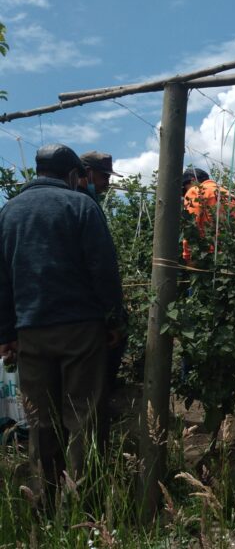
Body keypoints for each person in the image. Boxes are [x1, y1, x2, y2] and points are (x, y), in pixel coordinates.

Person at [0, 144, 125, 500]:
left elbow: (2, 280)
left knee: (41, 420)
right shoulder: (81, 206)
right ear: (72, 175)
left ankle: (44, 500)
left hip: (31, 331)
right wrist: (114, 318)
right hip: (80, 328)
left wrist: (6, 333)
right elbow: (103, 269)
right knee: (83, 416)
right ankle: (84, 505)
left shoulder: (8, 212)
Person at [79, 150, 127, 390]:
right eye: (104, 177)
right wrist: (113, 317)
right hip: (82, 306)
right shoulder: (82, 204)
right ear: (87, 173)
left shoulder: (87, 201)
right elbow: (100, 264)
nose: (107, 183)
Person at [181, 167, 235, 263]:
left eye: (186, 187)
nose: (185, 192)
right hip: (233, 253)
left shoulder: (195, 191)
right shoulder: (230, 195)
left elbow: (191, 227)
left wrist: (188, 256)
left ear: (192, 180)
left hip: (207, 255)